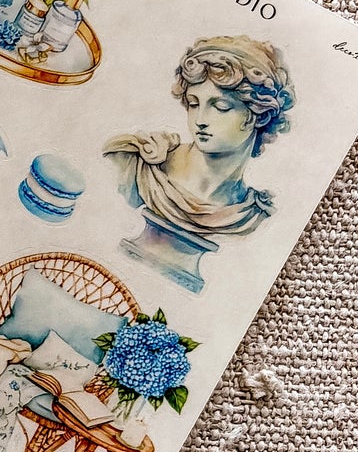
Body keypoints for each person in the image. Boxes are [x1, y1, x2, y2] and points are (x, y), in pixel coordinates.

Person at [103, 36, 295, 290]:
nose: (200, 119)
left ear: (257, 117)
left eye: (221, 107)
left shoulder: (251, 214)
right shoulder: (137, 165)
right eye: (194, 104)